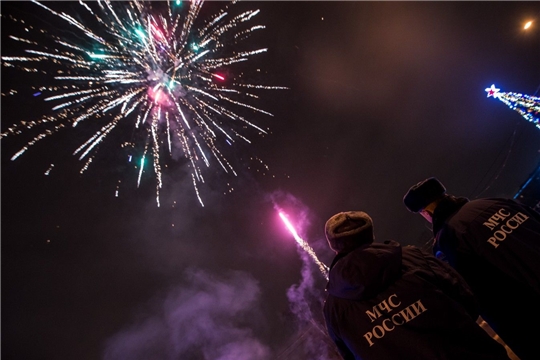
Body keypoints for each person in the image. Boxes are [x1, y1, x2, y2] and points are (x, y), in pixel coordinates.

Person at [322, 210, 510, 360]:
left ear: (334, 246)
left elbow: (350, 354)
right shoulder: (412, 257)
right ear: (370, 233)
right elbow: (464, 295)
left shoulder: (334, 307)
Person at [403, 177, 540, 360]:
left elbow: (470, 293)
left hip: (528, 319)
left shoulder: (447, 239)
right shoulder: (494, 203)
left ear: (426, 212)